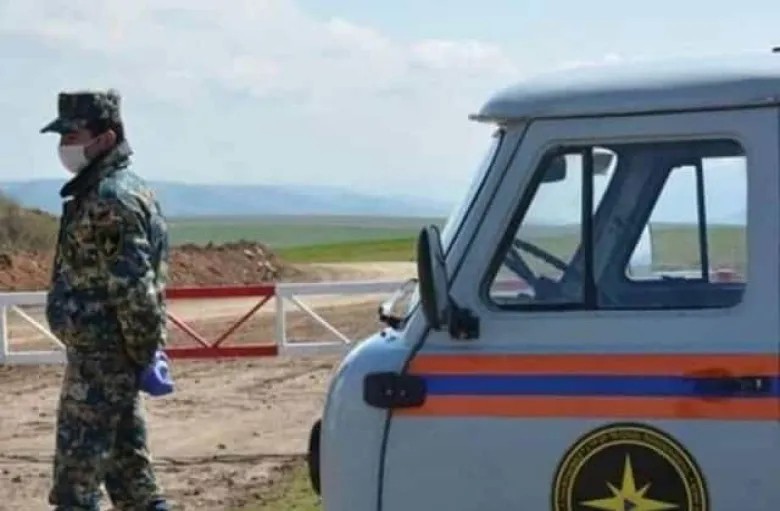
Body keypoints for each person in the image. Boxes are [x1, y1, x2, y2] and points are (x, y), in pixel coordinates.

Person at [41, 89, 171, 511]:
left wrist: (142, 354)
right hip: (109, 360)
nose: (65, 146)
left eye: (73, 135)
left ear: (106, 138)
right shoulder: (118, 190)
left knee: (75, 489)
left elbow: (134, 290)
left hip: (101, 363)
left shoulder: (108, 200)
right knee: (132, 482)